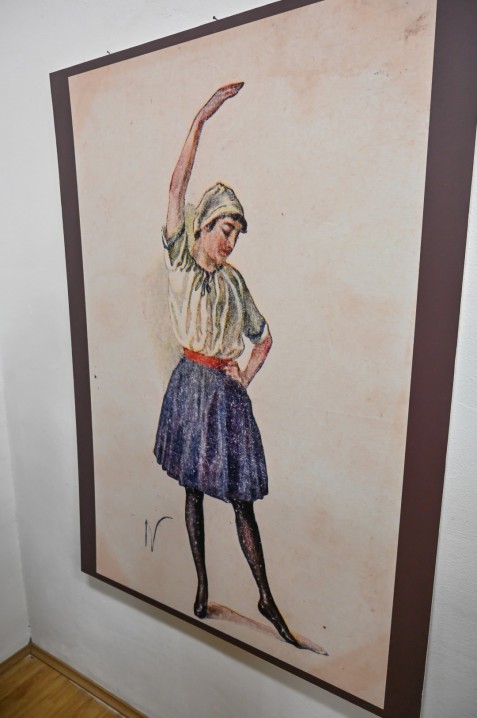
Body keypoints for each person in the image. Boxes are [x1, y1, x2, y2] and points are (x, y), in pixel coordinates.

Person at [154, 83, 300, 647]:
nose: (231, 241)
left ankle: (264, 594)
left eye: (237, 233)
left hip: (225, 394)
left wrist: (246, 373)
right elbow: (176, 185)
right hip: (188, 386)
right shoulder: (181, 262)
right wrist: (202, 117)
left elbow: (263, 338)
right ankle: (201, 586)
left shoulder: (235, 284)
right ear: (203, 226)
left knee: (241, 501)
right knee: (192, 490)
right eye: (225, 229)